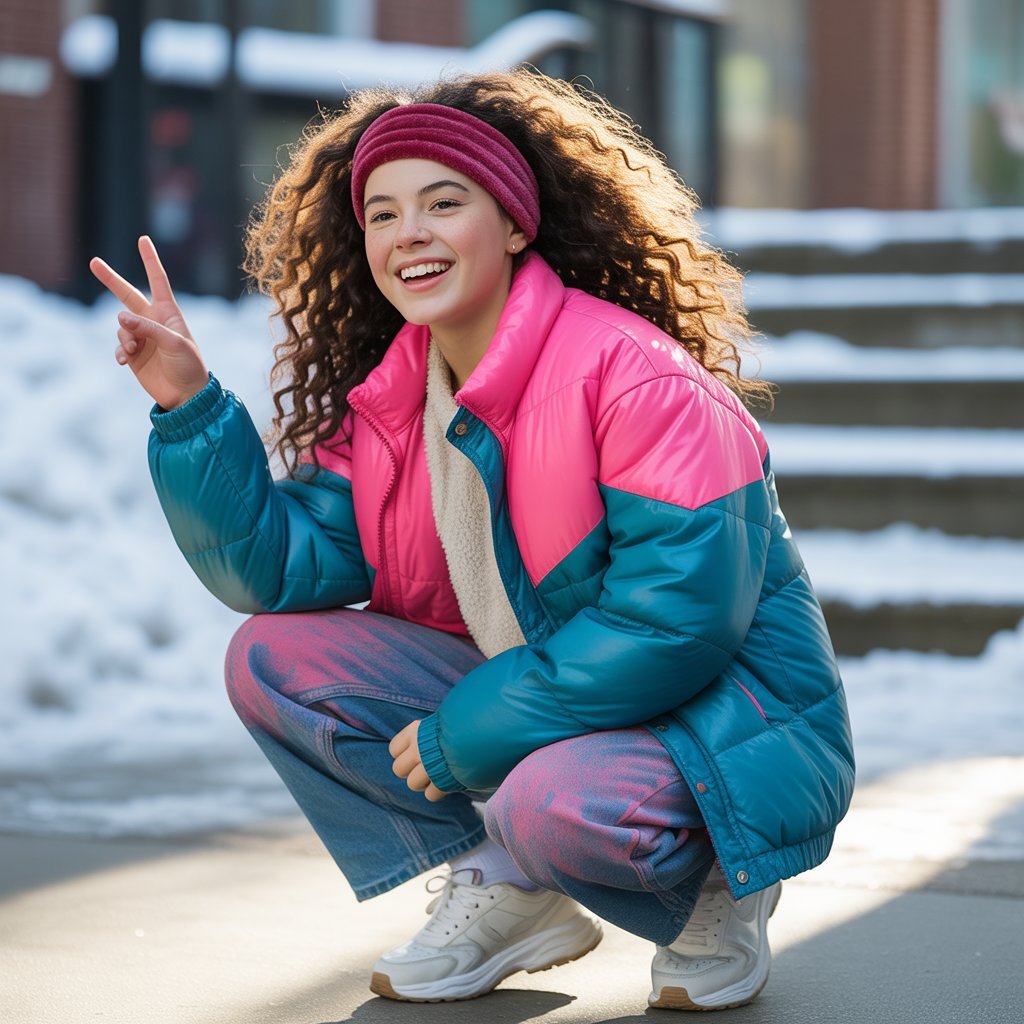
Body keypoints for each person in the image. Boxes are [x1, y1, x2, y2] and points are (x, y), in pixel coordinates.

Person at [91, 69, 854, 1012]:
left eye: (442, 203)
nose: (407, 232)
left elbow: (679, 620)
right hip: (548, 704)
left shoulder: (633, 378)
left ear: (517, 223)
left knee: (550, 804)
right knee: (273, 659)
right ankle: (510, 884)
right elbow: (278, 568)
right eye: (382, 213)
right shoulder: (389, 404)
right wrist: (188, 406)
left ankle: (715, 883)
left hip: (716, 726)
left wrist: (470, 731)